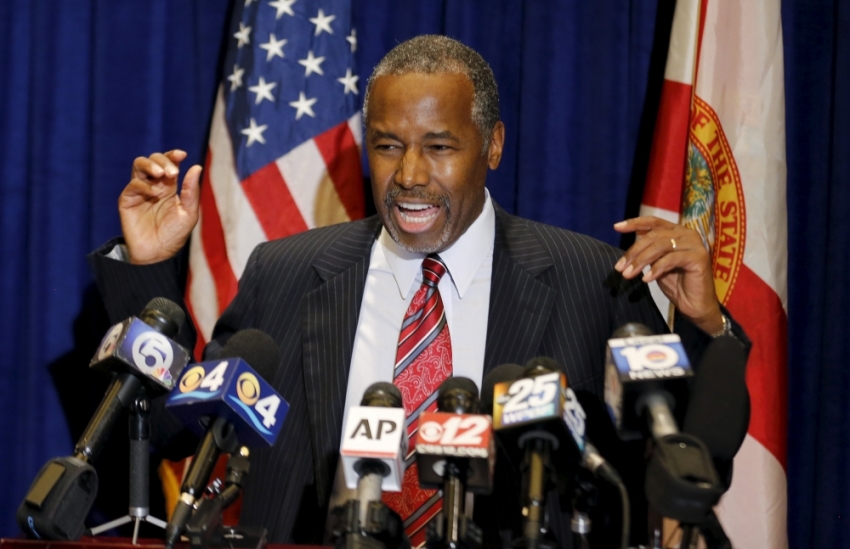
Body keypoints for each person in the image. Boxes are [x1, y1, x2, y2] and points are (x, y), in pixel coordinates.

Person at [90, 35, 747, 546]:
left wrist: (706, 326)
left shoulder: (589, 277)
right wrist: (147, 268)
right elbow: (179, 430)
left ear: (492, 145)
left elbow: (688, 457)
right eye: (386, 145)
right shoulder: (286, 274)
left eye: (438, 146)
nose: (408, 176)